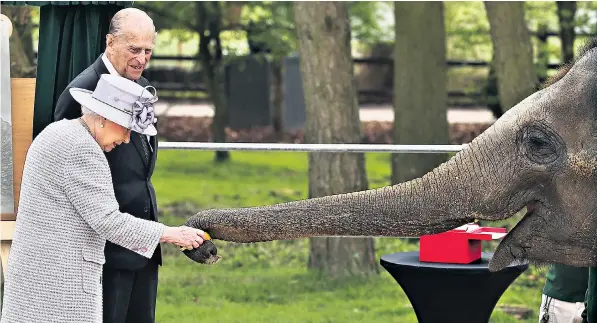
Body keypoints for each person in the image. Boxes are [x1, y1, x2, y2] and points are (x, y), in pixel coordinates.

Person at [0, 74, 208, 323]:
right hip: (60, 286)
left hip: (37, 277)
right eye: (126, 128)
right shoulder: (83, 149)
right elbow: (108, 221)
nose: (127, 139)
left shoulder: (57, 132)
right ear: (104, 119)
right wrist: (171, 234)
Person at [53, 7, 163, 323]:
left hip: (142, 245)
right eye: (134, 49)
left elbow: (140, 163)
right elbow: (66, 174)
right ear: (110, 42)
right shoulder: (82, 92)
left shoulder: (139, 82)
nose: (142, 59)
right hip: (103, 254)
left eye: (148, 51)